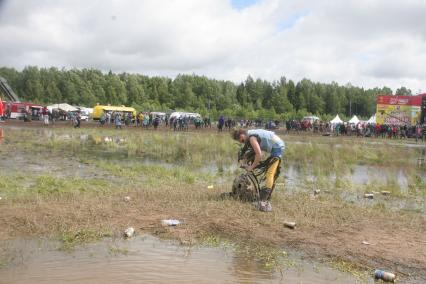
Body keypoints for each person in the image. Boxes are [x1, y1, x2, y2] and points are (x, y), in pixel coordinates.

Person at [232, 129, 285, 212]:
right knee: (268, 172)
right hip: (276, 144)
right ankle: (264, 196)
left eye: (241, 141)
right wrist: (244, 160)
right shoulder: (249, 134)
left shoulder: (251, 138)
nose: (242, 143)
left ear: (242, 136)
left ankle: (263, 200)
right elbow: (248, 150)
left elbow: (259, 154)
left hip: (277, 147)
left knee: (270, 174)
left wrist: (251, 167)